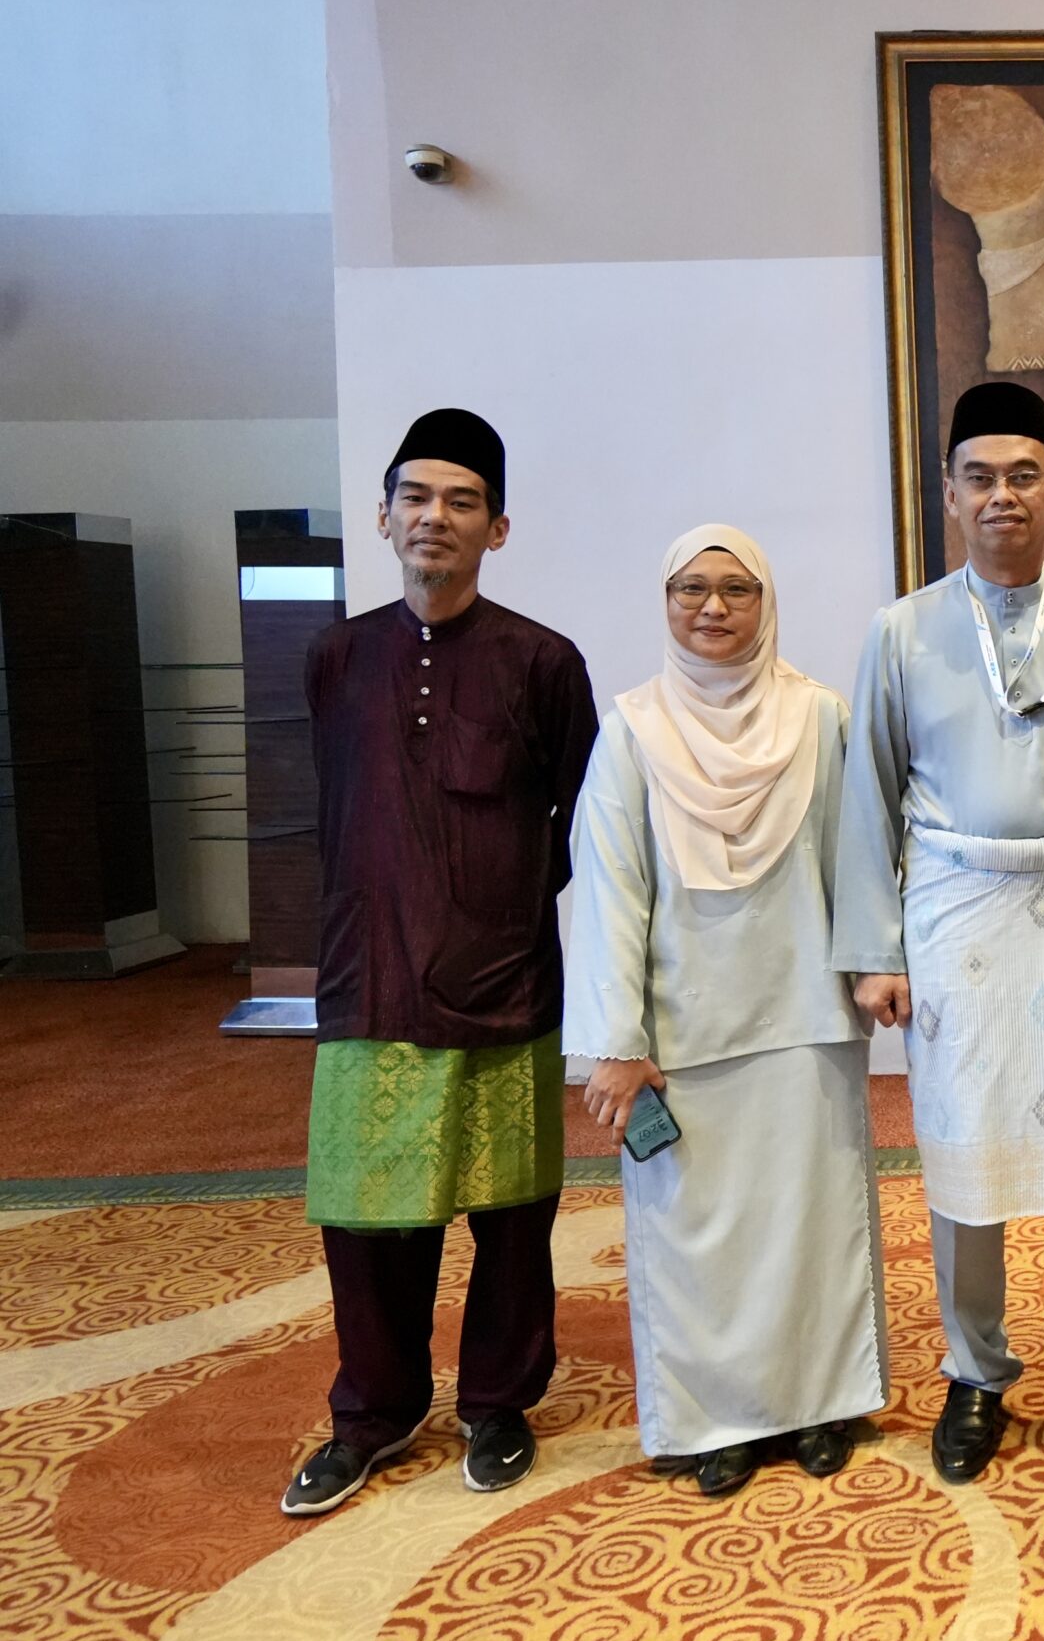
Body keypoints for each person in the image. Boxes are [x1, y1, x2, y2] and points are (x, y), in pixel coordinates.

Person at [835, 381, 1044, 1486]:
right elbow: (868, 795)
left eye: (1023, 475)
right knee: (962, 1153)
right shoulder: (901, 631)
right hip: (954, 914)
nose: (1001, 496)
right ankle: (974, 1368)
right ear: (948, 493)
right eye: (979, 477)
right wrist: (875, 950)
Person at [283, 409, 599, 1516]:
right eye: (415, 496)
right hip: (367, 979)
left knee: (511, 1215)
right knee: (367, 1217)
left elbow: (584, 821)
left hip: (504, 980)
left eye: (462, 501)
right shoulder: (336, 658)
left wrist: (499, 906)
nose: (436, 517)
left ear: (497, 528)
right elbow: (339, 810)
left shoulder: (543, 662)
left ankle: (499, 1404)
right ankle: (371, 1413)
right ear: (383, 516)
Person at [564, 525, 887, 1497]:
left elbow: (858, 857)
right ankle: (715, 1420)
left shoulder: (818, 715)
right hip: (679, 1033)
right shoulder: (632, 730)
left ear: (766, 601)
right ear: (665, 601)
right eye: (691, 588)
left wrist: (873, 965)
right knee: (695, 1237)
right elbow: (610, 888)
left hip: (803, 1016)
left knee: (812, 1226)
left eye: (736, 589)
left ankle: (822, 1402)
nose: (713, 607)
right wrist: (615, 1041)